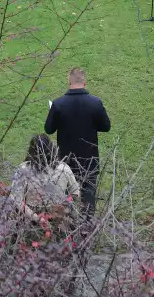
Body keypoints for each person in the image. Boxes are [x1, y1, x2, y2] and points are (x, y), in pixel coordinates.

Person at [44, 67, 111, 216]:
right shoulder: (95, 103)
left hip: (66, 160)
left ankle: (68, 227)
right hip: (89, 160)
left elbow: (49, 129)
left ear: (69, 81)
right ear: (85, 82)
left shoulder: (58, 104)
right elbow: (106, 127)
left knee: (66, 198)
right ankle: (88, 230)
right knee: (88, 200)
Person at [9, 134, 81, 224]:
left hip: (29, 219)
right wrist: (63, 206)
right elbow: (75, 193)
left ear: (31, 151)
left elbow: (16, 199)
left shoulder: (23, 169)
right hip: (56, 219)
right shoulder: (64, 169)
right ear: (52, 149)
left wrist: (37, 218)